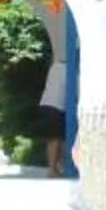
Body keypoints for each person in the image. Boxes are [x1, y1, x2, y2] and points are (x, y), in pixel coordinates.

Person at [39, 45, 70, 177]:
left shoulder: (55, 67)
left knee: (56, 138)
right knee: (55, 138)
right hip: (55, 106)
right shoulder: (67, 70)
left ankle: (56, 167)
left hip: (47, 104)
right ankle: (52, 169)